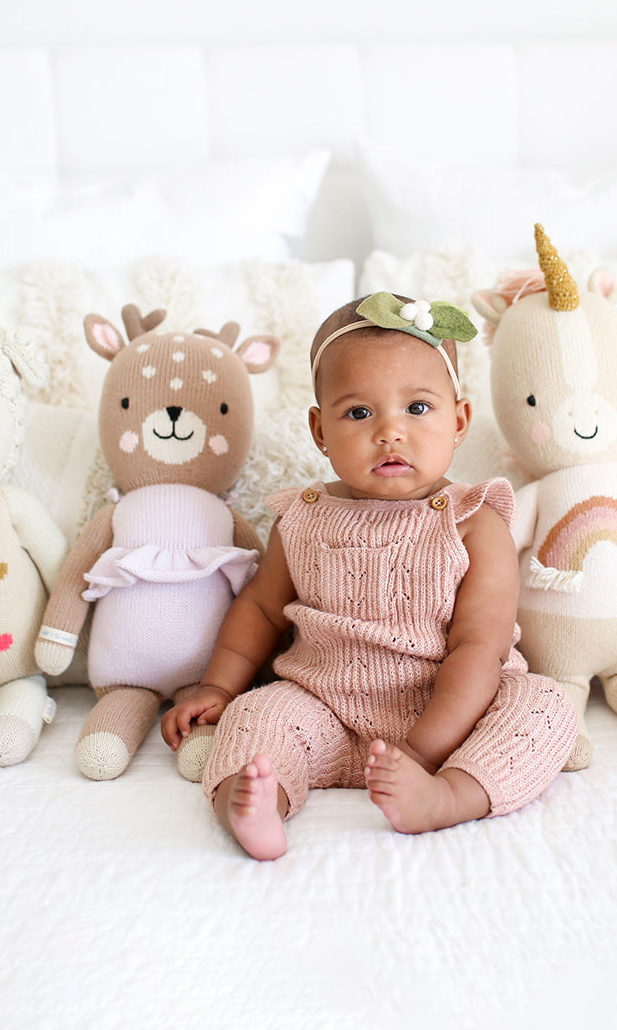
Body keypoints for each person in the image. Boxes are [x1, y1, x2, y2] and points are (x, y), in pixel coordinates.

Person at [161, 293, 578, 860]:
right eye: (359, 413)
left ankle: (447, 797)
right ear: (319, 430)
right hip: (324, 708)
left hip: (453, 716)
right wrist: (218, 686)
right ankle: (255, 802)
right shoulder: (303, 517)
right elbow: (259, 609)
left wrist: (425, 753)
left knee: (544, 707)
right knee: (257, 716)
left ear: (459, 420)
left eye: (418, 408)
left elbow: (479, 646)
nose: (390, 432)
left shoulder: (474, 523)